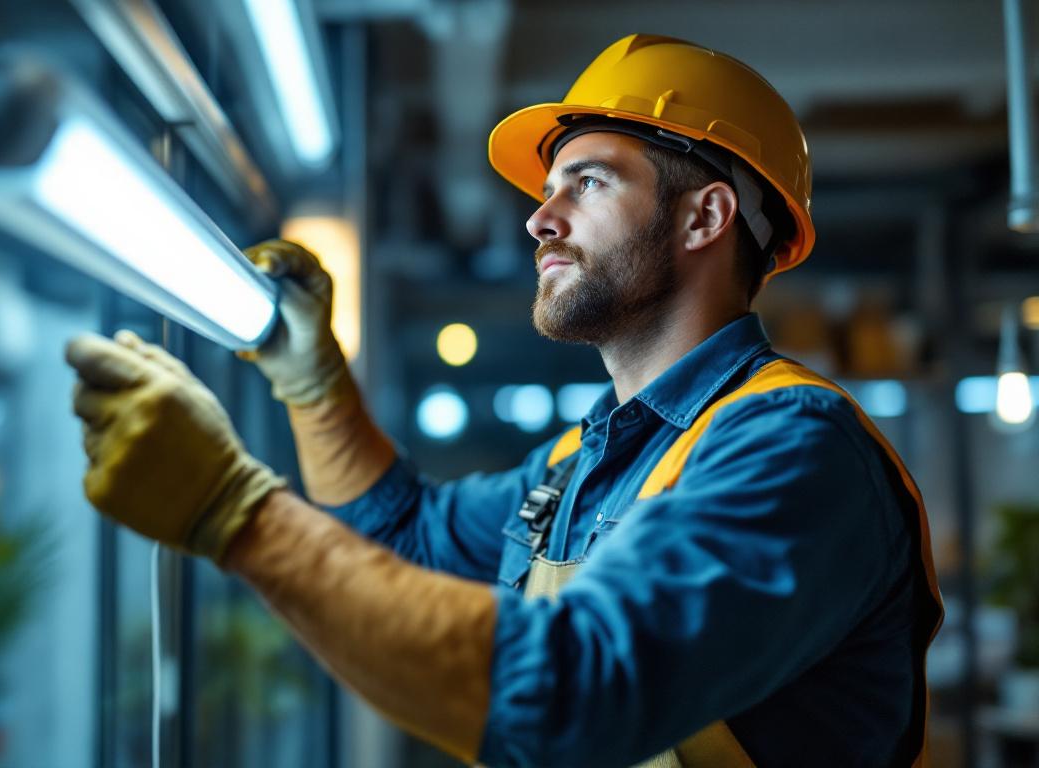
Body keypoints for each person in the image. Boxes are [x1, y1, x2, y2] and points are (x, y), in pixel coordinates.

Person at [65, 34, 943, 767]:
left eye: (588, 183)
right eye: (548, 189)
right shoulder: (587, 463)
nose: (539, 218)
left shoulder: (795, 450)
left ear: (704, 219)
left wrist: (234, 513)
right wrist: (314, 383)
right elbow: (401, 541)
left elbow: (579, 694)